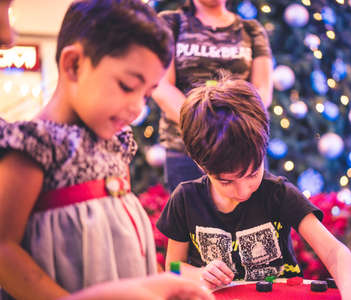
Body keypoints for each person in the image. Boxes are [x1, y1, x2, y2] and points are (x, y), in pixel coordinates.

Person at [0, 1, 212, 299]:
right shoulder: (33, 147)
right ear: (74, 65)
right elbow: (4, 249)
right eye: (127, 86)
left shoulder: (118, 143)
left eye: (148, 94)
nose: (138, 108)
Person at [156, 77, 351, 300]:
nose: (244, 190)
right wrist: (200, 274)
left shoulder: (278, 194)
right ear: (200, 164)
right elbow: (174, 267)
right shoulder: (185, 199)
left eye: (253, 173)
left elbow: (335, 253)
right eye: (226, 181)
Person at [151, 0, 273, 192]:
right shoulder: (170, 22)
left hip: (244, 149)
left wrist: (231, 127)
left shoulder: (251, 29)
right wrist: (204, 125)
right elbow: (161, 85)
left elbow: (262, 90)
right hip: (186, 151)